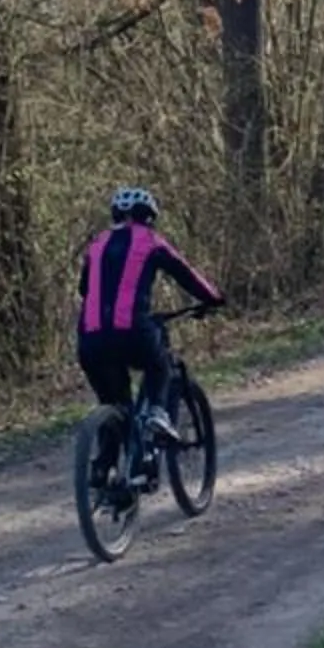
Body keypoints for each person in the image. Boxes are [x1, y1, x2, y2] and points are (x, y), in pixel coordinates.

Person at [75, 186, 222, 475]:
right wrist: (213, 298)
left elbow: (84, 289)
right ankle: (157, 411)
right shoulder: (150, 241)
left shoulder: (97, 245)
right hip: (131, 333)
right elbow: (186, 274)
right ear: (148, 217)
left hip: (90, 340)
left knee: (114, 404)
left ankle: (105, 469)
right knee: (160, 363)